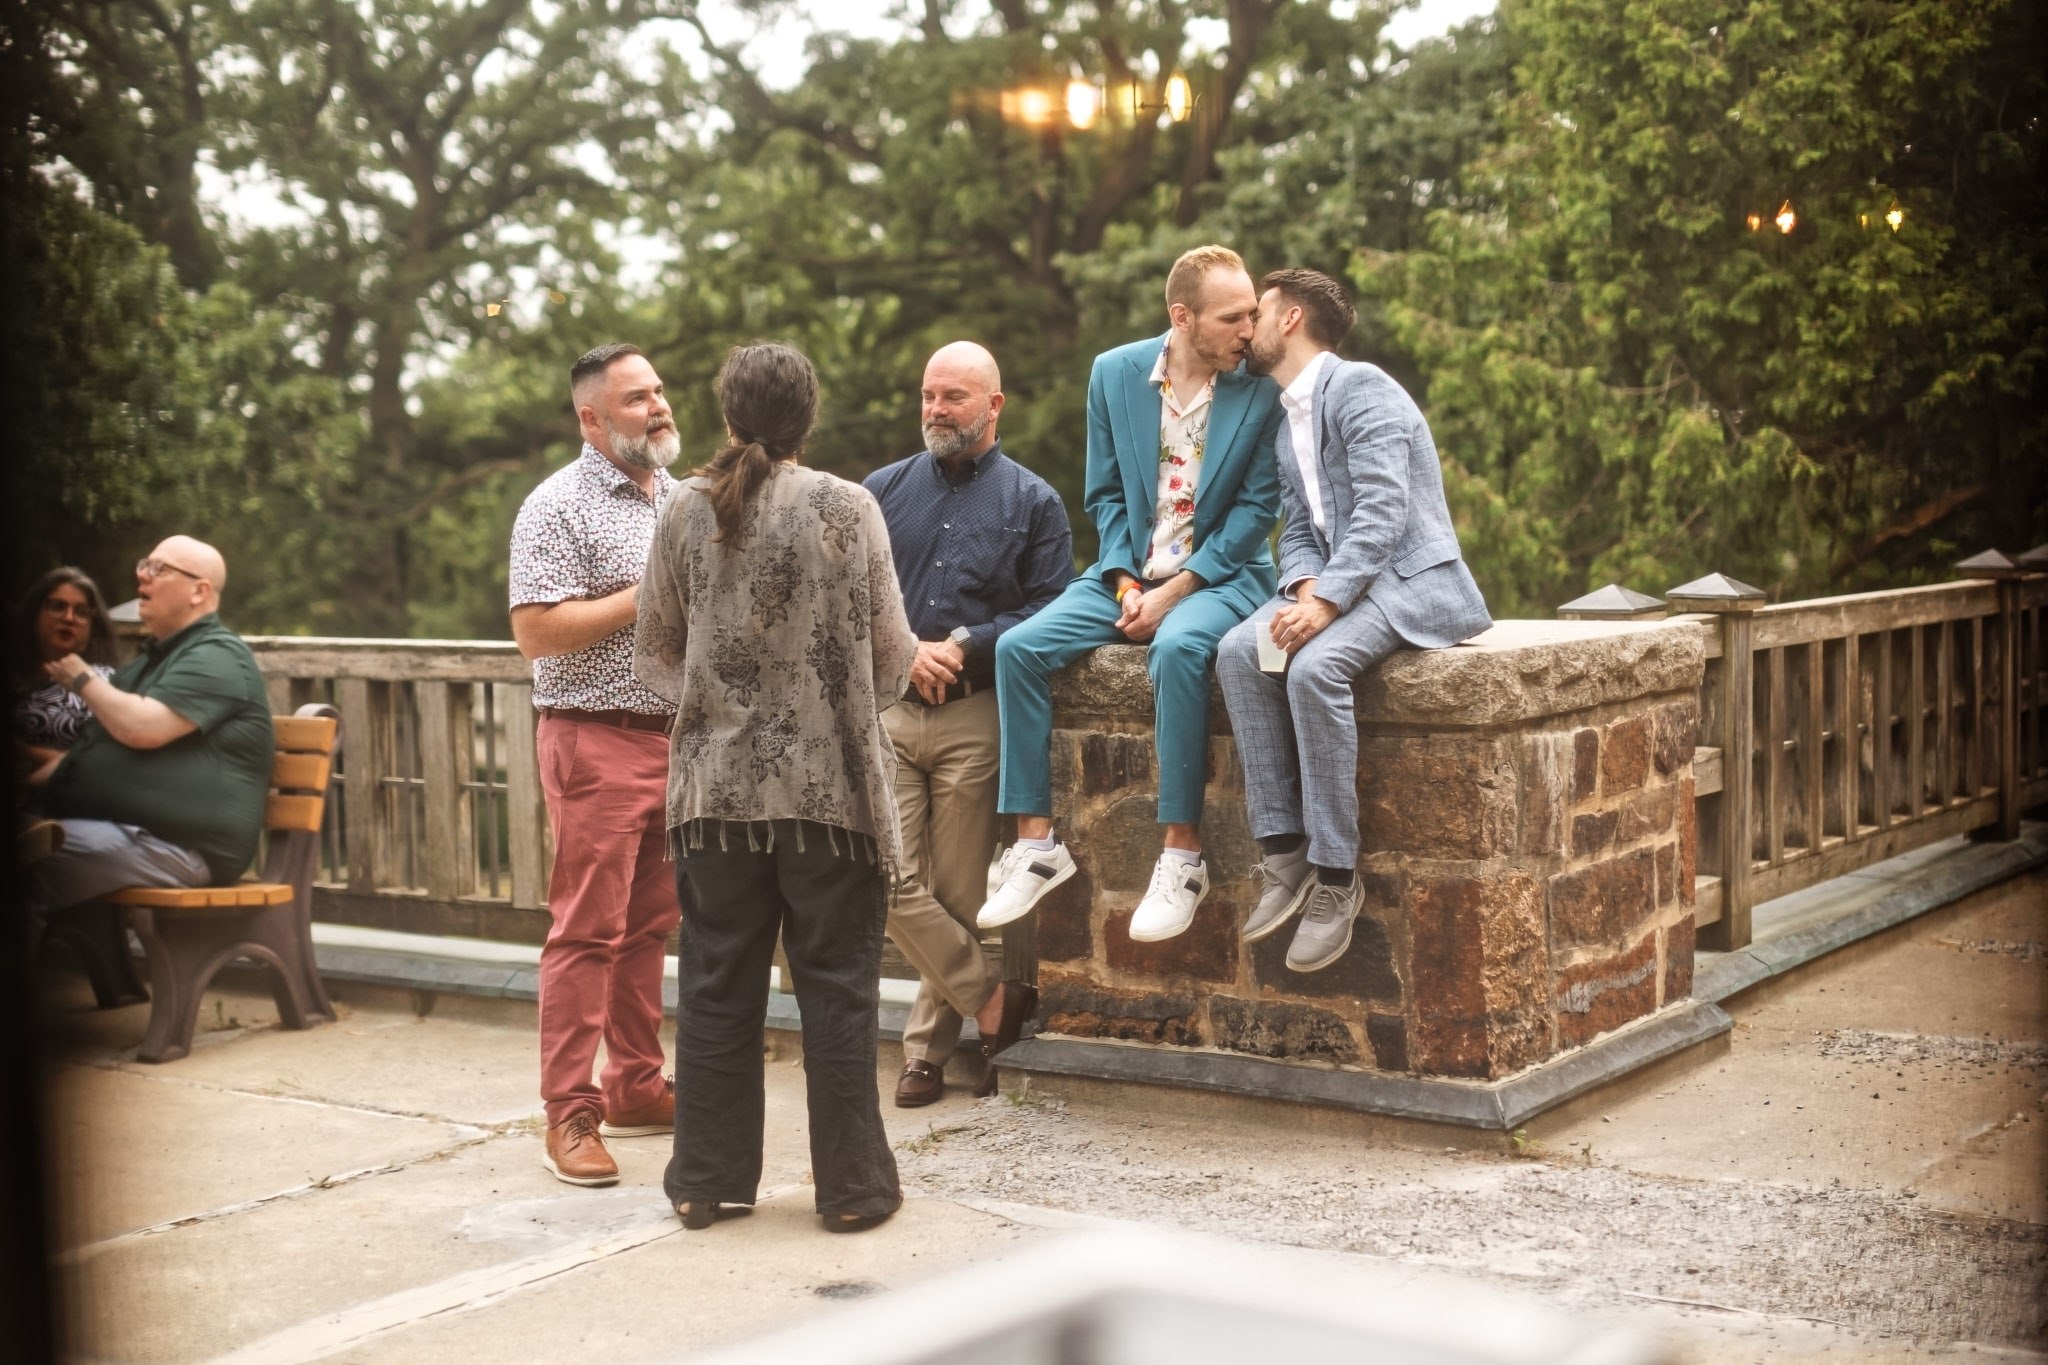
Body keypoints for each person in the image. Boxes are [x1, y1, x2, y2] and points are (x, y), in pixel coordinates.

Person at [635, 341, 921, 1233]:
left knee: (717, 985)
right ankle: (853, 1191)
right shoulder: (849, 505)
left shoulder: (681, 509)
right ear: (809, 417)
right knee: (838, 988)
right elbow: (895, 661)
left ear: (727, 416)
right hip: (829, 800)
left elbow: (652, 657)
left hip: (714, 800)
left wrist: (723, 711)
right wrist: (822, 709)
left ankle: (707, 1182)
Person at [977, 244, 1283, 944]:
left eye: (1253, 314)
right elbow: (1106, 494)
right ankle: (1036, 843)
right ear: (1182, 316)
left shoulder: (1263, 391)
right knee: (1019, 648)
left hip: (1221, 576)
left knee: (1176, 650)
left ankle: (1181, 856)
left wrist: (1173, 592)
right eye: (1234, 316)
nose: (1250, 329)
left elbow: (1254, 517)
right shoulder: (1114, 374)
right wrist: (1122, 583)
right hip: (1126, 572)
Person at [1217, 268, 1492, 971]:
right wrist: (1303, 585)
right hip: (1344, 584)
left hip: (1409, 581)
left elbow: (1382, 511)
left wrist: (1323, 604)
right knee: (1236, 652)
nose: (1245, 328)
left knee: (1316, 666)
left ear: (1292, 317)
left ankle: (1337, 876)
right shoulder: (1286, 420)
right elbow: (1302, 530)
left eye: (1259, 312)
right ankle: (1285, 853)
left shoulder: (1363, 388)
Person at [863, 341, 1070, 1108]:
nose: (936, 410)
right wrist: (906, 649)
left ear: (994, 406)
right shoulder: (879, 492)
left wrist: (968, 643)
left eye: (953, 396)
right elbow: (853, 598)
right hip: (889, 710)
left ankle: (924, 1053)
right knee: (883, 876)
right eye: (928, 394)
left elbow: (1053, 608)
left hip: (977, 714)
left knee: (954, 893)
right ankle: (994, 1001)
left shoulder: (1033, 502)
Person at [509, 342, 684, 1188]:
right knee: (585, 930)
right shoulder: (557, 505)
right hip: (594, 735)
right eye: (635, 397)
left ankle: (637, 1086)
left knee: (649, 927)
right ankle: (569, 1115)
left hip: (678, 741)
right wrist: (645, 593)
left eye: (657, 391)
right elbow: (535, 631)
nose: (657, 406)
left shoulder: (680, 498)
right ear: (591, 416)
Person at [23, 539, 272, 932]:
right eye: (145, 564)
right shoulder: (154, 660)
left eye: (160, 569)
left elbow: (143, 728)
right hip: (125, 831)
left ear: (199, 591)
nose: (142, 574)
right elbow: (89, 753)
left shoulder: (218, 655)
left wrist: (83, 679)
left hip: (178, 847)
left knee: (25, 867)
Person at [14, 566, 118, 775]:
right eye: (57, 606)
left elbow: (102, 768)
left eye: (81, 612)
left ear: (92, 625)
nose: (69, 618)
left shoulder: (104, 683)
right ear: (35, 612)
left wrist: (26, 752)